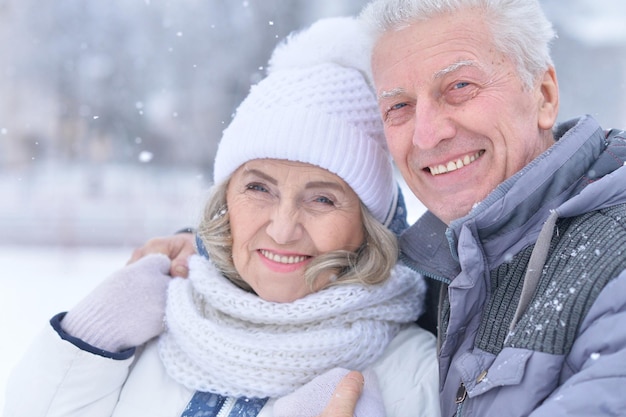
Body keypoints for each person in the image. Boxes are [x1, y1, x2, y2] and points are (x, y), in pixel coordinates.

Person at [132, 1, 626, 416]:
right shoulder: (457, 268)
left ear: (543, 95)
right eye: (399, 107)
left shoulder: (613, 259)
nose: (428, 134)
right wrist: (210, 252)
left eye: (459, 87)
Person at [3, 17, 441, 417]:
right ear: (224, 200)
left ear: (369, 225)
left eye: (322, 200)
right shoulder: (151, 326)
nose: (283, 228)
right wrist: (85, 347)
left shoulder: (414, 374)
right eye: (258, 188)